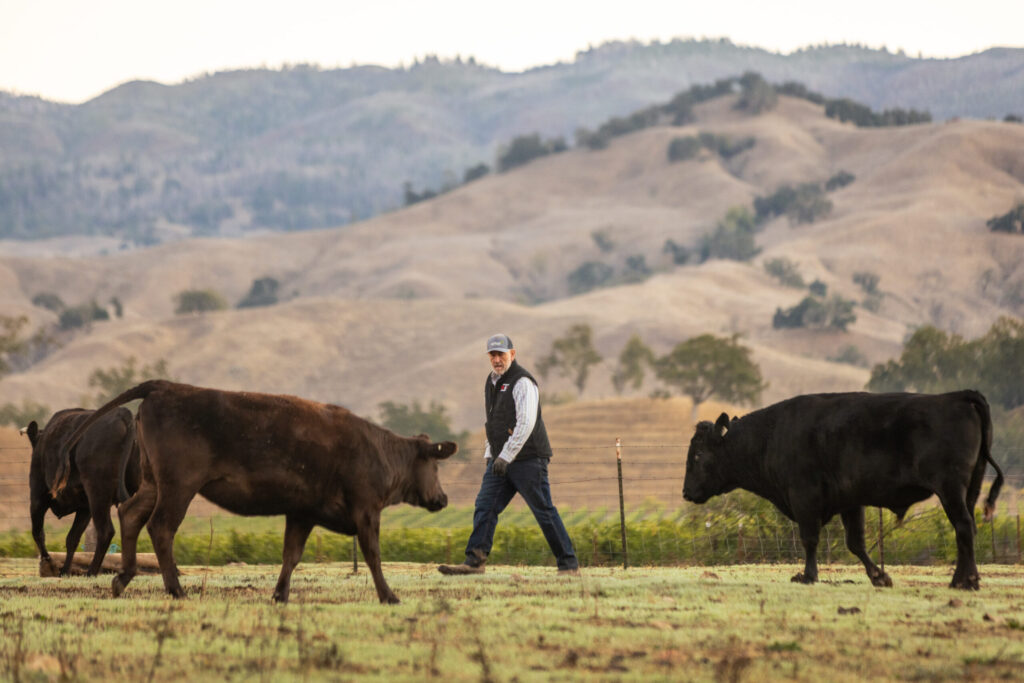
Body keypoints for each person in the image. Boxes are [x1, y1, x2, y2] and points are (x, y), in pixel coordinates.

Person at [438, 334, 579, 575]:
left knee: (543, 510)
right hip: (500, 459)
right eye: (492, 355)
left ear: (512, 354)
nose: (496, 359)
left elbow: (526, 422)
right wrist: (491, 453)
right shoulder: (492, 382)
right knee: (485, 506)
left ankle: (569, 565)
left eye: (501, 354)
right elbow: (494, 421)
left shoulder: (522, 382)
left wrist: (506, 455)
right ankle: (474, 562)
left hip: (528, 459)